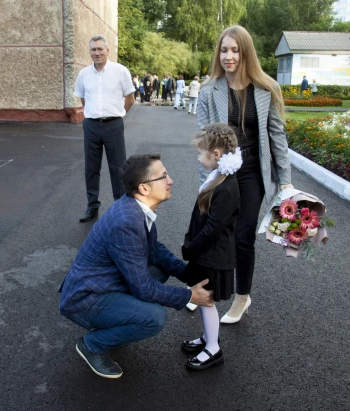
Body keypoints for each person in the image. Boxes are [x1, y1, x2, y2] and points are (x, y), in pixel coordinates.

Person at [59, 154, 214, 379]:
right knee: (154, 318)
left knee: (160, 269)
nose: (170, 180)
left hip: (103, 284)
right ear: (144, 188)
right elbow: (144, 290)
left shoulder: (135, 208)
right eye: (163, 176)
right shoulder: (127, 222)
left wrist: (188, 274)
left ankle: (120, 320)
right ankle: (91, 345)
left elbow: (155, 250)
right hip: (84, 300)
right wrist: (190, 296)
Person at [196, 25, 293, 324]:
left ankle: (242, 297)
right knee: (215, 231)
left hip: (253, 172)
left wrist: (285, 180)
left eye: (235, 50)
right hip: (223, 173)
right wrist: (207, 182)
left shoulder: (266, 89)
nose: (228, 56)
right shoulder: (209, 91)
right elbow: (204, 141)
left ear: (245, 52)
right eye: (224, 50)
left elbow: (277, 136)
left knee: (243, 236)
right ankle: (206, 289)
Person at [181, 123, 241, 370]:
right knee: (206, 300)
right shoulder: (218, 177)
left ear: (216, 155)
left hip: (213, 255)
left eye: (201, 153)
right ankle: (208, 337)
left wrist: (191, 247)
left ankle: (213, 349)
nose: (198, 157)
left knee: (205, 300)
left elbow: (213, 229)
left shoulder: (226, 188)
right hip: (207, 253)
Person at [73, 34, 135, 223]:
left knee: (118, 168)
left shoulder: (120, 71)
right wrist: (93, 114)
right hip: (91, 125)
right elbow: (83, 99)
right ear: (90, 52)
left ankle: (120, 207)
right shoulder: (84, 74)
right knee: (91, 168)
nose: (97, 53)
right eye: (93, 49)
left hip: (113, 125)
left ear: (108, 51)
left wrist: (117, 114)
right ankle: (92, 206)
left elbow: (130, 99)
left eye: (100, 49)